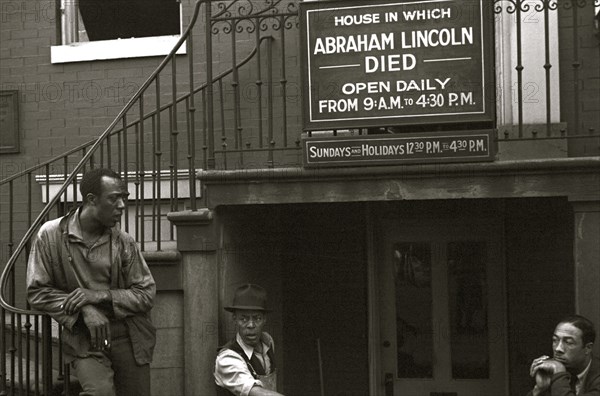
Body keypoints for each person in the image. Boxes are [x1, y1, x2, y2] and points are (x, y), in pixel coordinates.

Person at [26, 168, 156, 396]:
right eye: (114, 198)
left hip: (128, 335)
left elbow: (145, 293)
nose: (122, 206)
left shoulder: (124, 242)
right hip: (84, 338)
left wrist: (99, 295)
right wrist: (84, 308)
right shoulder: (51, 235)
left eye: (123, 198)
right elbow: (38, 291)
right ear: (91, 200)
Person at [214, 284, 284, 396]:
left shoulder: (268, 341)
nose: (251, 325)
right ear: (235, 319)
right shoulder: (227, 359)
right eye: (243, 318)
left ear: (264, 319)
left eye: (257, 318)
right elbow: (255, 392)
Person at [528, 315, 600, 396]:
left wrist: (559, 372)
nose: (558, 349)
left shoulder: (558, 373)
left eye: (568, 342)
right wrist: (539, 390)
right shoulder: (553, 374)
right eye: (555, 340)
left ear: (588, 348)